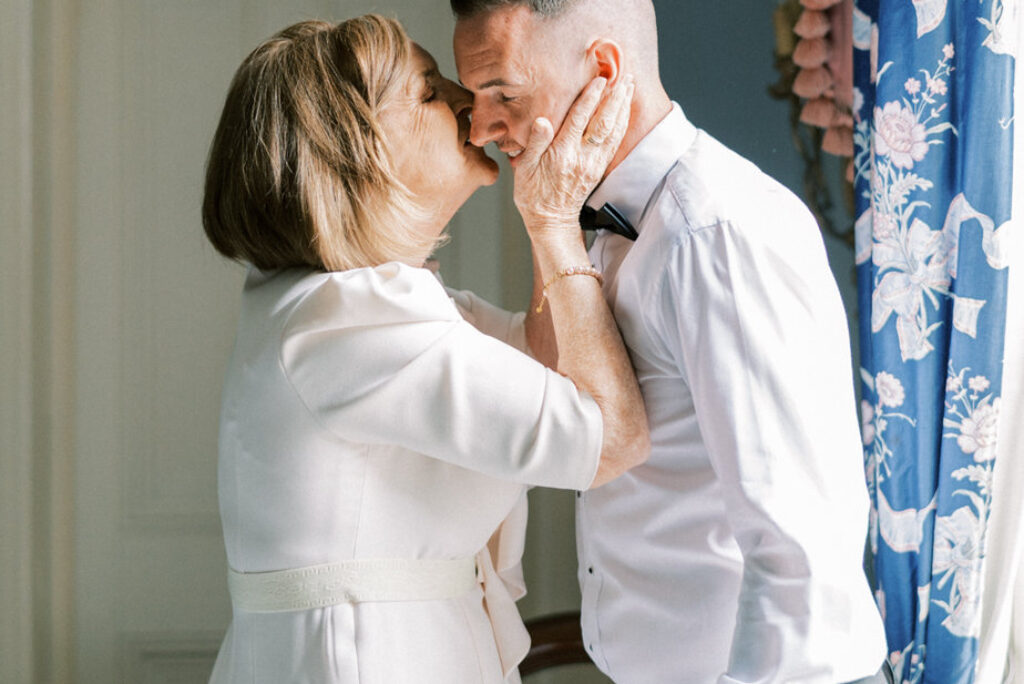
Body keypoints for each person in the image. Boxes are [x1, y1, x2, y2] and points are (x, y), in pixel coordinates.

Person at [201, 14, 648, 684]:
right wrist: (552, 220)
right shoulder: (349, 324)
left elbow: (547, 363)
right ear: (355, 151)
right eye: (430, 92)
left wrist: (550, 209)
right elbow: (609, 438)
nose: (469, 106)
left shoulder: (339, 309)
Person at [451, 1, 890, 683]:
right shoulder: (597, 226)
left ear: (602, 70)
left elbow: (798, 549)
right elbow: (549, 384)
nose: (480, 128)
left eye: (503, 93)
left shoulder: (713, 234)